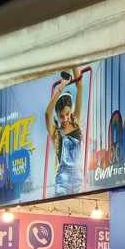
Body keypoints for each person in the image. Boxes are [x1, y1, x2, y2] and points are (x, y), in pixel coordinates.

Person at [45, 66, 85, 196]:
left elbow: (80, 85)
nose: (65, 119)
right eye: (61, 116)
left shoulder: (76, 122)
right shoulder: (55, 133)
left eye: (67, 114)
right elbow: (47, 113)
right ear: (57, 116)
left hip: (78, 175)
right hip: (63, 179)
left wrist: (73, 64)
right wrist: (61, 88)